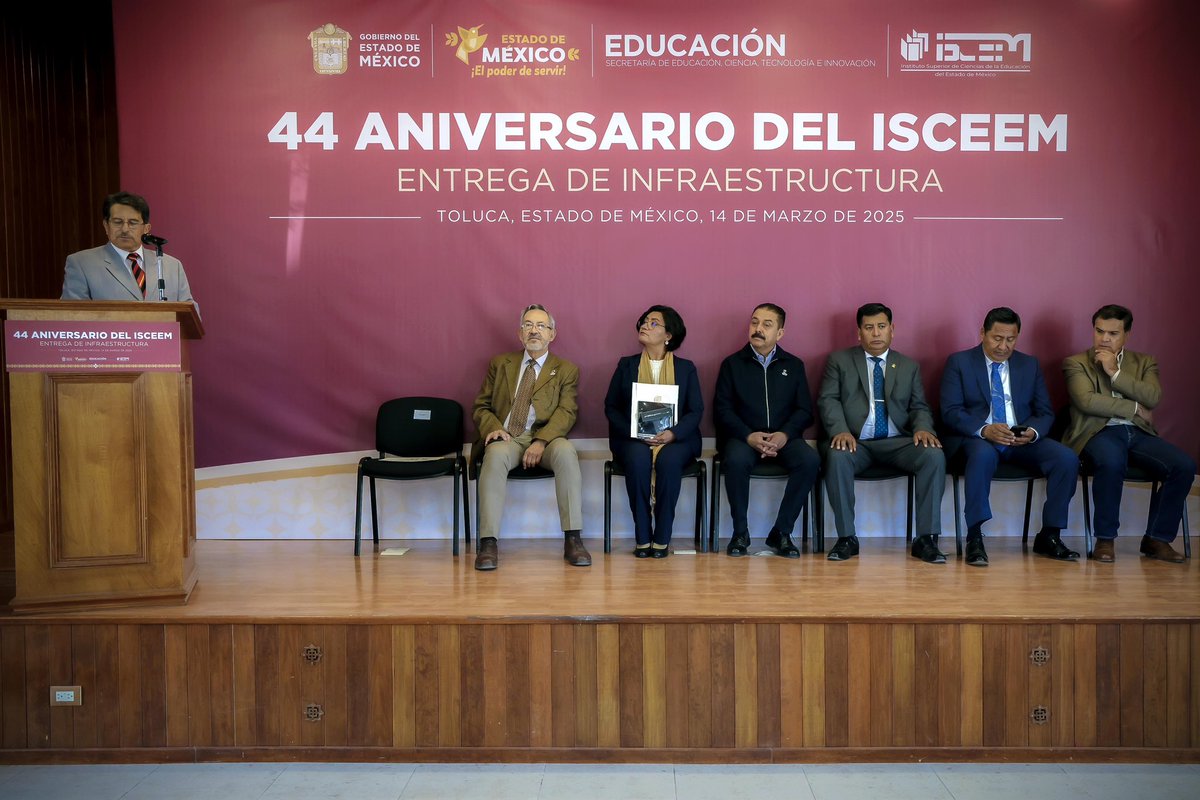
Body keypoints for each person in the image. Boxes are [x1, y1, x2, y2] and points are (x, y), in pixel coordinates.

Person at [940, 307, 1080, 566]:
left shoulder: (1029, 364)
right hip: (980, 439)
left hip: (1020, 439)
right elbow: (950, 411)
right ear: (982, 333)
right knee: (981, 456)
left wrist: (1032, 432)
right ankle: (975, 537)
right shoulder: (959, 362)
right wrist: (985, 429)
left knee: (1066, 458)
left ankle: (1049, 535)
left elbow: (1044, 412)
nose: (1003, 346)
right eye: (997, 338)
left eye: (1010, 339)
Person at [1062, 304, 1195, 563]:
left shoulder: (1145, 362)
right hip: (1098, 432)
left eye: (1113, 333)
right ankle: (1105, 539)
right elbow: (1086, 401)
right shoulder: (1076, 363)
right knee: (1111, 462)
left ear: (1126, 335)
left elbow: (1152, 397)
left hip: (1138, 433)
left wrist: (1115, 372)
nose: (1104, 338)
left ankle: (1157, 539)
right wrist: (1135, 408)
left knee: (1183, 466)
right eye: (1099, 331)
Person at [818, 302, 947, 563]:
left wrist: (923, 428)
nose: (876, 333)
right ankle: (846, 538)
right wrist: (840, 430)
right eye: (869, 327)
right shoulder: (839, 361)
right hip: (856, 442)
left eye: (881, 326)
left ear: (892, 329)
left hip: (897, 442)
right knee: (837, 456)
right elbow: (828, 399)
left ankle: (926, 539)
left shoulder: (908, 366)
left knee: (933, 455)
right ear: (859, 333)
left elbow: (919, 406)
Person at [471, 304, 588, 571]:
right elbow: (481, 406)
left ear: (552, 334)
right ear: (520, 333)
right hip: (509, 437)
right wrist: (494, 428)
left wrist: (541, 441)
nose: (534, 331)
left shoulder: (566, 369)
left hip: (547, 439)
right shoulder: (500, 364)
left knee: (566, 452)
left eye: (541, 326)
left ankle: (573, 539)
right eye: (528, 325)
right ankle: (488, 543)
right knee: (494, 454)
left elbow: (567, 411)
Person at [713, 303, 820, 557]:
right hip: (744, 438)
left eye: (766, 324)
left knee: (809, 460)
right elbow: (722, 410)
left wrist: (784, 434)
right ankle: (740, 533)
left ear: (780, 333)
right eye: (754, 322)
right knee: (736, 460)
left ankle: (781, 532)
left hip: (784, 438)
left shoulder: (793, 365)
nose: (758, 329)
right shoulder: (732, 364)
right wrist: (748, 435)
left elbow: (804, 410)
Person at [605, 305, 703, 557]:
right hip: (633, 438)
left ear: (668, 335)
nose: (645, 326)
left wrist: (673, 433)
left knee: (669, 461)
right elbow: (611, 407)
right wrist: (635, 431)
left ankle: (662, 536)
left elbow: (695, 411)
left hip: (676, 439)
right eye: (645, 321)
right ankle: (642, 536)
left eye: (654, 323)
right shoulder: (626, 365)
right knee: (638, 459)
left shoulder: (686, 368)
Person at [62, 191, 195, 303]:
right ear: (106, 226)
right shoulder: (81, 264)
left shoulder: (172, 266)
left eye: (133, 223)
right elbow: (73, 316)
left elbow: (190, 315)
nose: (125, 229)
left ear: (146, 228)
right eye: (117, 222)